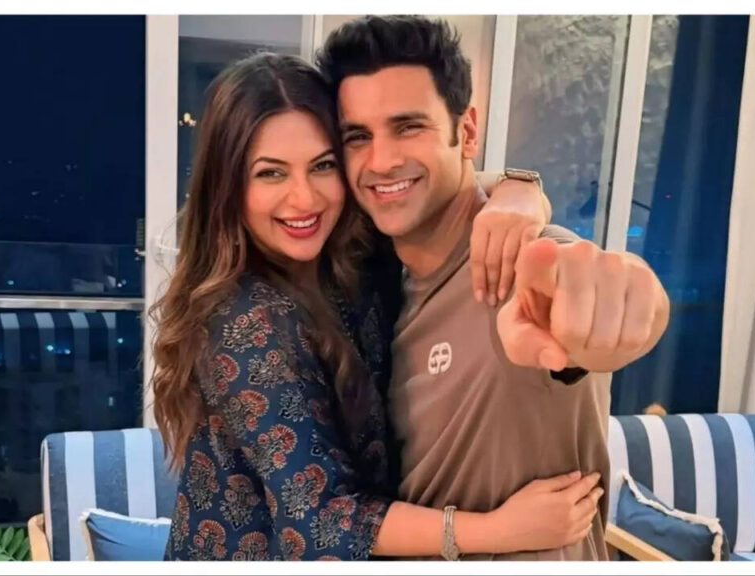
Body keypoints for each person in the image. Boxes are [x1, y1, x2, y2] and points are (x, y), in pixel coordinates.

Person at [151, 53, 596, 561]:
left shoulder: (354, 254)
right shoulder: (244, 321)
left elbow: (434, 187)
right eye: (271, 174)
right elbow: (319, 522)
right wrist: (499, 530)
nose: (304, 199)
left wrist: (520, 193)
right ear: (229, 187)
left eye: (322, 166)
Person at [317, 15, 670, 560]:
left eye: (409, 127)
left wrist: (624, 308)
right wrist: (518, 185)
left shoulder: (528, 264)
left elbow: (591, 296)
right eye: (358, 137)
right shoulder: (375, 282)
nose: (381, 161)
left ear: (466, 132)